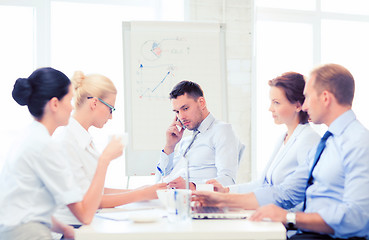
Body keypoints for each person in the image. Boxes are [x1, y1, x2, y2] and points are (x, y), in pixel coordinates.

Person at [193, 64, 369, 239]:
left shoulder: (358, 142)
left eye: (307, 97)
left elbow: (358, 218)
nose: (305, 106)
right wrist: (221, 199)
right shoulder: (328, 142)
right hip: (309, 233)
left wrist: (289, 218)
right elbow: (286, 192)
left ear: (325, 98)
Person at [0, 67, 123, 240]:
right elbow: (85, 215)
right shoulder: (45, 146)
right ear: (55, 104)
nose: (72, 107)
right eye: (70, 99)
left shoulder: (31, 136)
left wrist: (63, 228)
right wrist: (105, 160)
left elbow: (28, 206)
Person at [53, 71, 167, 226]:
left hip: (84, 225)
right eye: (110, 109)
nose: (111, 116)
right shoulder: (67, 141)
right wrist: (140, 194)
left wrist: (142, 190)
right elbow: (90, 201)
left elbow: (95, 190)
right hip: (71, 228)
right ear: (94, 103)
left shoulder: (82, 137)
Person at [207, 72, 320, 197]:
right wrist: (226, 191)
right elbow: (263, 184)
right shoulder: (283, 138)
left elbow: (306, 193)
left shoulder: (308, 140)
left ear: (298, 105)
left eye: (276, 102)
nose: (270, 108)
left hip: (287, 214)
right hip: (272, 210)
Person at [155, 80, 244, 189]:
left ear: (201, 103)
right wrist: (170, 147)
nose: (181, 117)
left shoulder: (222, 131)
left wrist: (192, 187)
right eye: (177, 112)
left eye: (185, 108)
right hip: (172, 199)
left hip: (197, 201)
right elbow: (160, 180)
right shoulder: (185, 142)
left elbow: (228, 180)